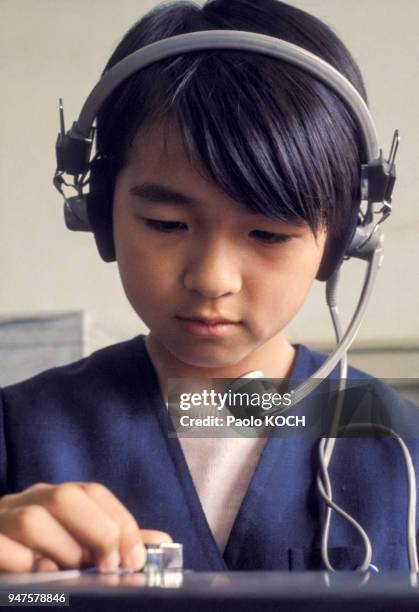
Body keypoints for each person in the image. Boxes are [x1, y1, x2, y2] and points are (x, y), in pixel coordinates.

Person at [0, 0, 417, 574]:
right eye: (167, 225)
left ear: (342, 239)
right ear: (98, 213)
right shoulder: (20, 431)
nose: (212, 280)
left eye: (268, 234)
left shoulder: (400, 444)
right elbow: (29, 600)